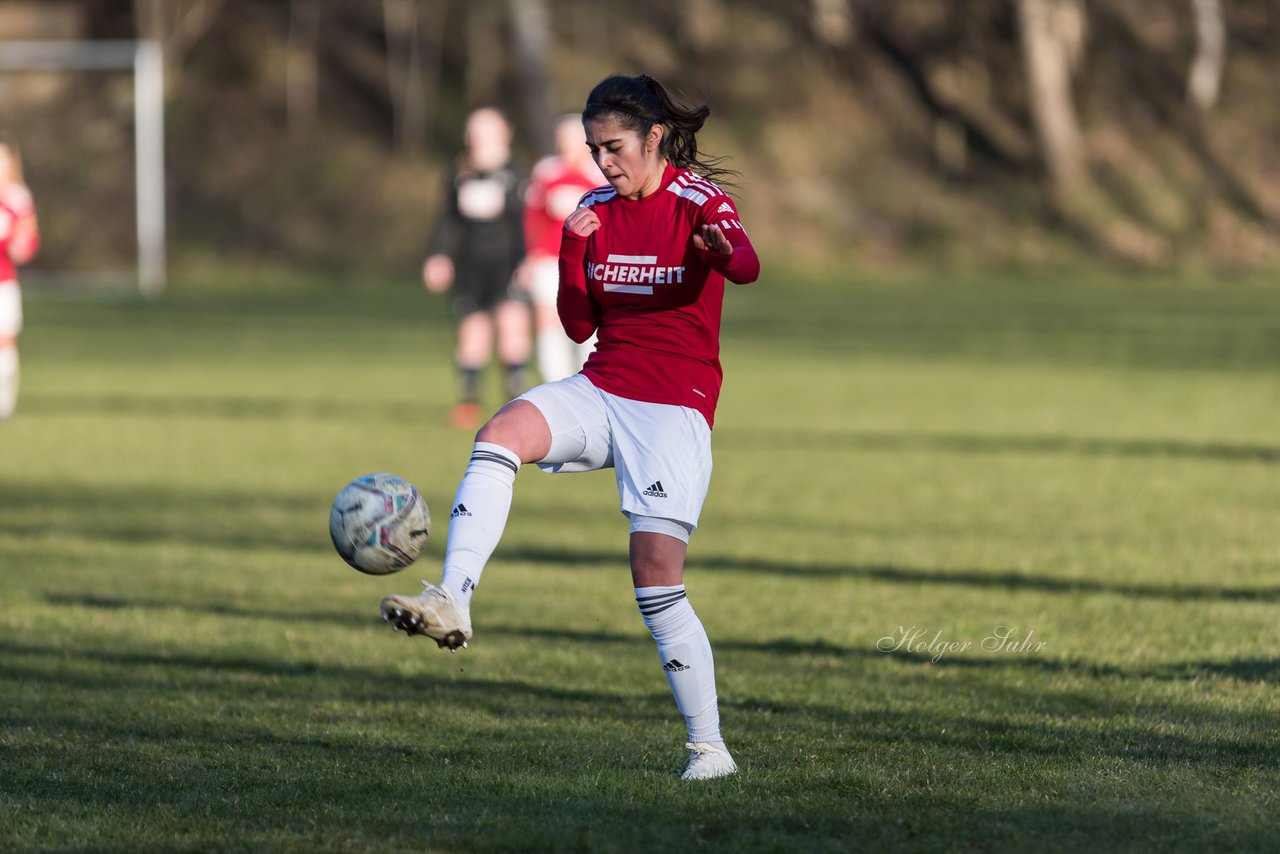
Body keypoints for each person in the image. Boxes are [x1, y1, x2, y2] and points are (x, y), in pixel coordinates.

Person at [382, 74, 760, 781]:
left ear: (653, 137)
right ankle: (453, 597)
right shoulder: (590, 208)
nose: (603, 163)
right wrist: (572, 250)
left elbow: (747, 266)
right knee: (499, 433)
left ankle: (710, 749)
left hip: (673, 406)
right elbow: (580, 323)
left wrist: (715, 249)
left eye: (614, 147)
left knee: (654, 580)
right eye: (593, 150)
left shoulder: (697, 199)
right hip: (602, 384)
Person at [423, 106, 532, 429]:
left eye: (485, 130)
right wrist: (438, 256)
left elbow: (525, 224)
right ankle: (468, 404)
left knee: (512, 328)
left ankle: (518, 405)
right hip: (470, 265)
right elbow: (448, 221)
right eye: (474, 130)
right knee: (472, 333)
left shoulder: (517, 174)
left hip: (507, 264)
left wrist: (526, 261)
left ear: (504, 133)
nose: (477, 137)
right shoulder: (459, 172)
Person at [521, 114, 605, 382]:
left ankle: (587, 378)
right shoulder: (547, 172)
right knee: (548, 318)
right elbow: (533, 218)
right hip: (549, 259)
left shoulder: (599, 173)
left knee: (587, 318)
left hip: (586, 261)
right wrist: (531, 256)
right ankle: (555, 382)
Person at [0, 133, 40, 421]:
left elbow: (28, 242)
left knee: (4, 342)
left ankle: (4, 398)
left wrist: (19, 246)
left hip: (4, 284)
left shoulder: (18, 198)